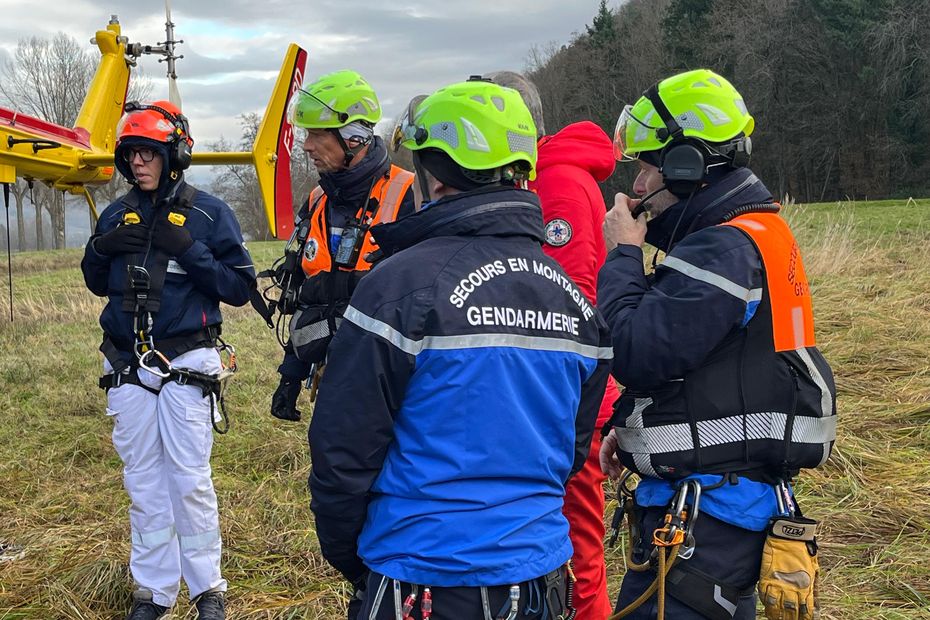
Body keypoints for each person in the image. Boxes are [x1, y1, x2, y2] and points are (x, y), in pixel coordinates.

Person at [308, 77, 612, 619]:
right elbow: (567, 454)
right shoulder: (574, 301)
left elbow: (341, 451)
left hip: (419, 578)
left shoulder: (397, 287)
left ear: (437, 175)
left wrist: (358, 561)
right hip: (536, 582)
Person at [598, 69, 836, 619]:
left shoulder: (724, 250)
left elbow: (635, 350)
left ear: (686, 166)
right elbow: (722, 368)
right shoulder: (753, 235)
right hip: (730, 499)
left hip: (709, 515)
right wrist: (628, 427)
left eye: (646, 166)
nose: (636, 186)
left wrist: (622, 256)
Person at [81, 101, 254, 619]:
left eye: (148, 153)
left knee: (189, 477)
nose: (137, 163)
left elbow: (240, 287)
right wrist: (103, 245)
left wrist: (192, 252)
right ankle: (153, 591)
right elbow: (94, 282)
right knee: (143, 481)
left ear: (173, 154)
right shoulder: (116, 213)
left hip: (186, 361)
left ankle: (208, 590)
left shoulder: (208, 213)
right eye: (131, 154)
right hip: (127, 366)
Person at [486, 70, 619, 620]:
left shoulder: (559, 182)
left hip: (571, 396)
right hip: (554, 390)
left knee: (577, 540)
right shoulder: (543, 178)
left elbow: (566, 300)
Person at [269, 70, 415, 421]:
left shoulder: (408, 196)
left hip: (393, 381)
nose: (306, 146)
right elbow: (309, 296)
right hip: (333, 374)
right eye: (306, 134)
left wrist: (352, 285)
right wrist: (292, 373)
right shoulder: (319, 200)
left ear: (354, 138)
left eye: (317, 134)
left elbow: (421, 298)